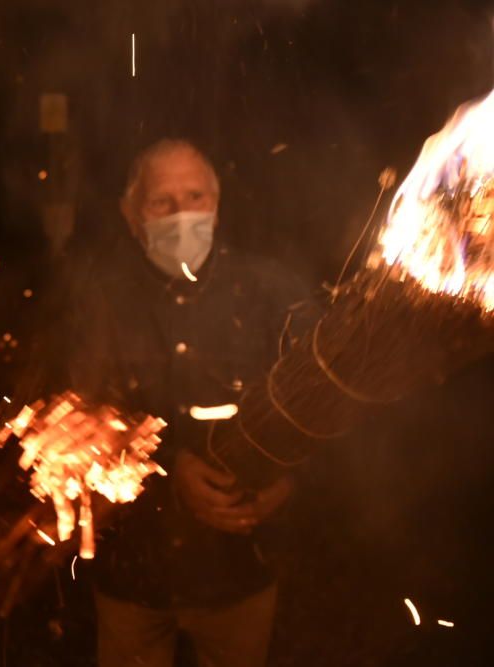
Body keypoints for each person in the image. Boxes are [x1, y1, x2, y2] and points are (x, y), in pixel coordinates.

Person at [51, 139, 309, 667]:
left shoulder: (269, 292)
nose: (181, 215)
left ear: (217, 207)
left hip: (241, 569)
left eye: (195, 198)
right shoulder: (100, 298)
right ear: (131, 215)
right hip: (134, 571)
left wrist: (286, 480)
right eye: (161, 202)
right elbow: (80, 415)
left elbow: (315, 409)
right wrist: (170, 469)